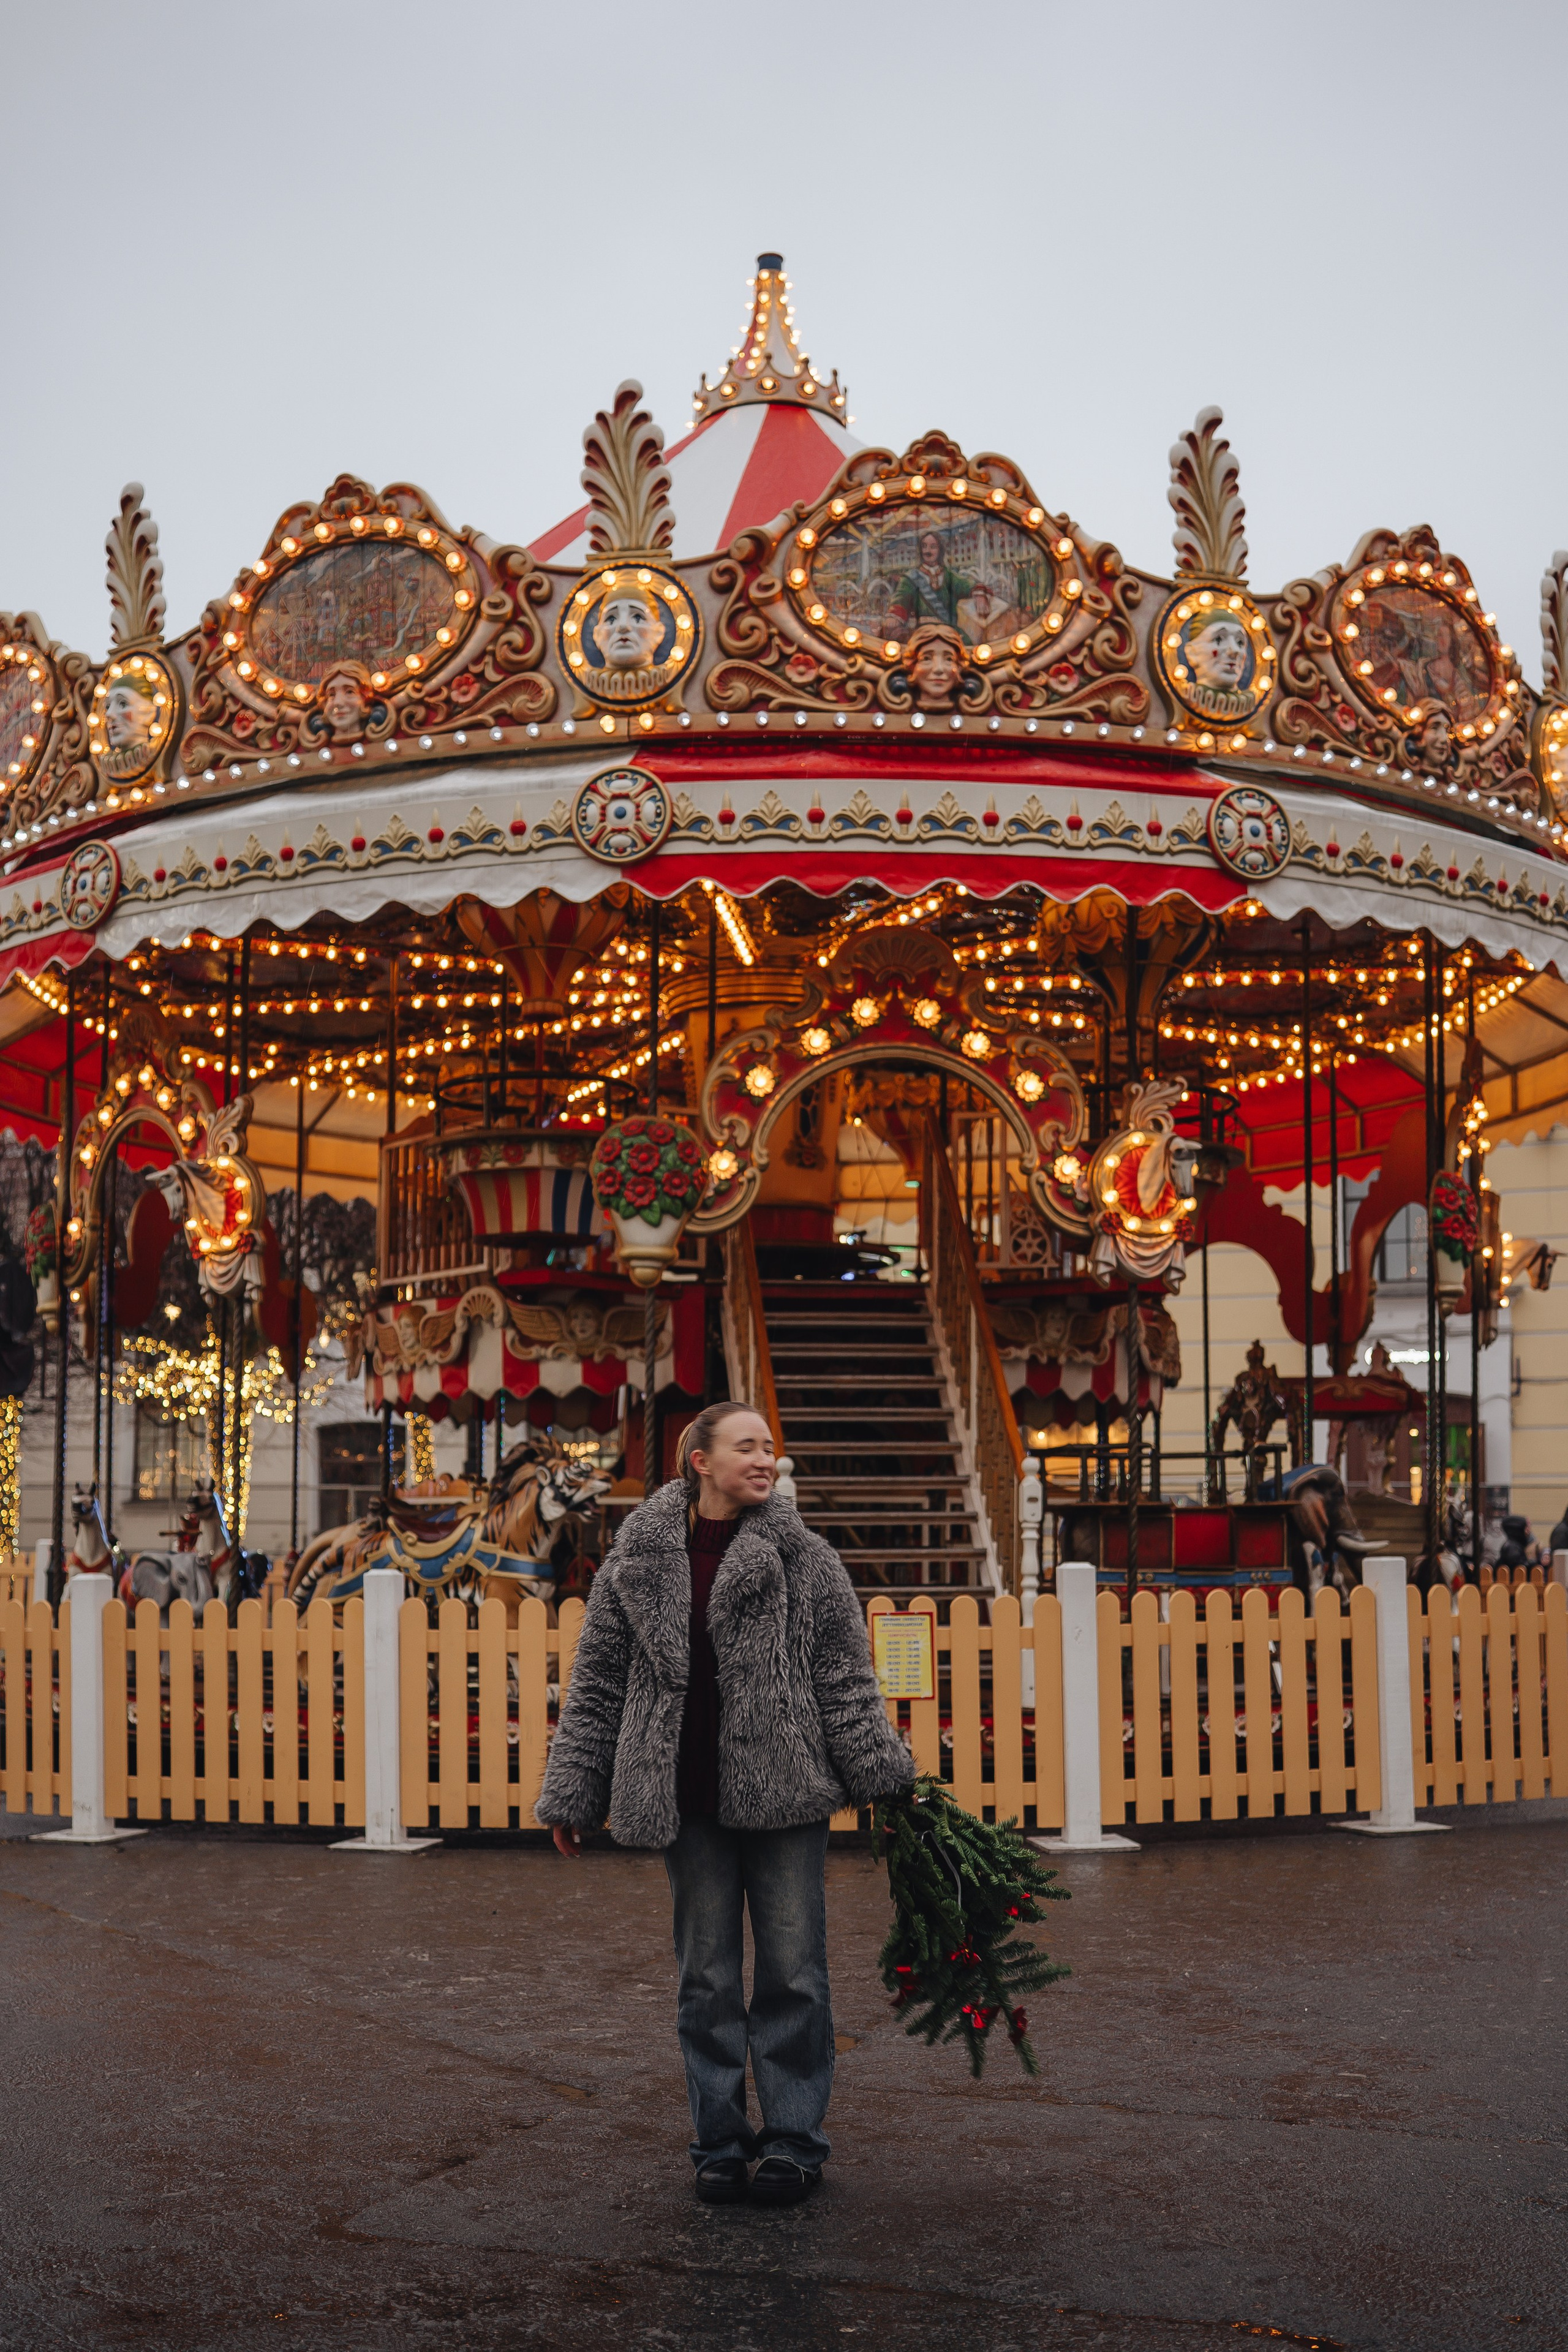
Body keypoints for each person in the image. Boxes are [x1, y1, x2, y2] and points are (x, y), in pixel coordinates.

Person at [537, 1399, 913, 2209]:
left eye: (771, 1447)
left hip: (785, 1797)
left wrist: (881, 1778)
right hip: (687, 1800)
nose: (764, 1458)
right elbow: (598, 1684)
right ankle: (717, 2142)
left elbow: (844, 1679)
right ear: (698, 1460)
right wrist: (575, 1789)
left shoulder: (806, 1560)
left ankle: (792, 2142)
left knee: (794, 1977)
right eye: (746, 1446)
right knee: (705, 1981)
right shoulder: (635, 1560)